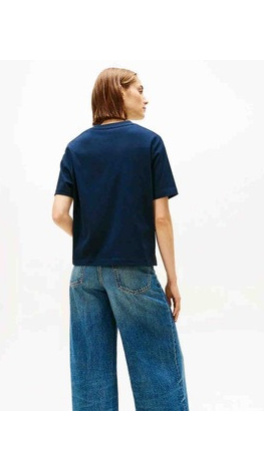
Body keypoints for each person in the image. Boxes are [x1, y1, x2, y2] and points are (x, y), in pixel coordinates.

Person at [52, 67, 189, 411]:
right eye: (139, 90)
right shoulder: (148, 143)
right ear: (118, 92)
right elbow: (161, 218)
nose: (145, 98)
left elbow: (58, 214)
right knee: (158, 374)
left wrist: (90, 238)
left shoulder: (76, 147)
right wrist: (172, 279)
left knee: (90, 379)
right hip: (133, 271)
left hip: (84, 275)